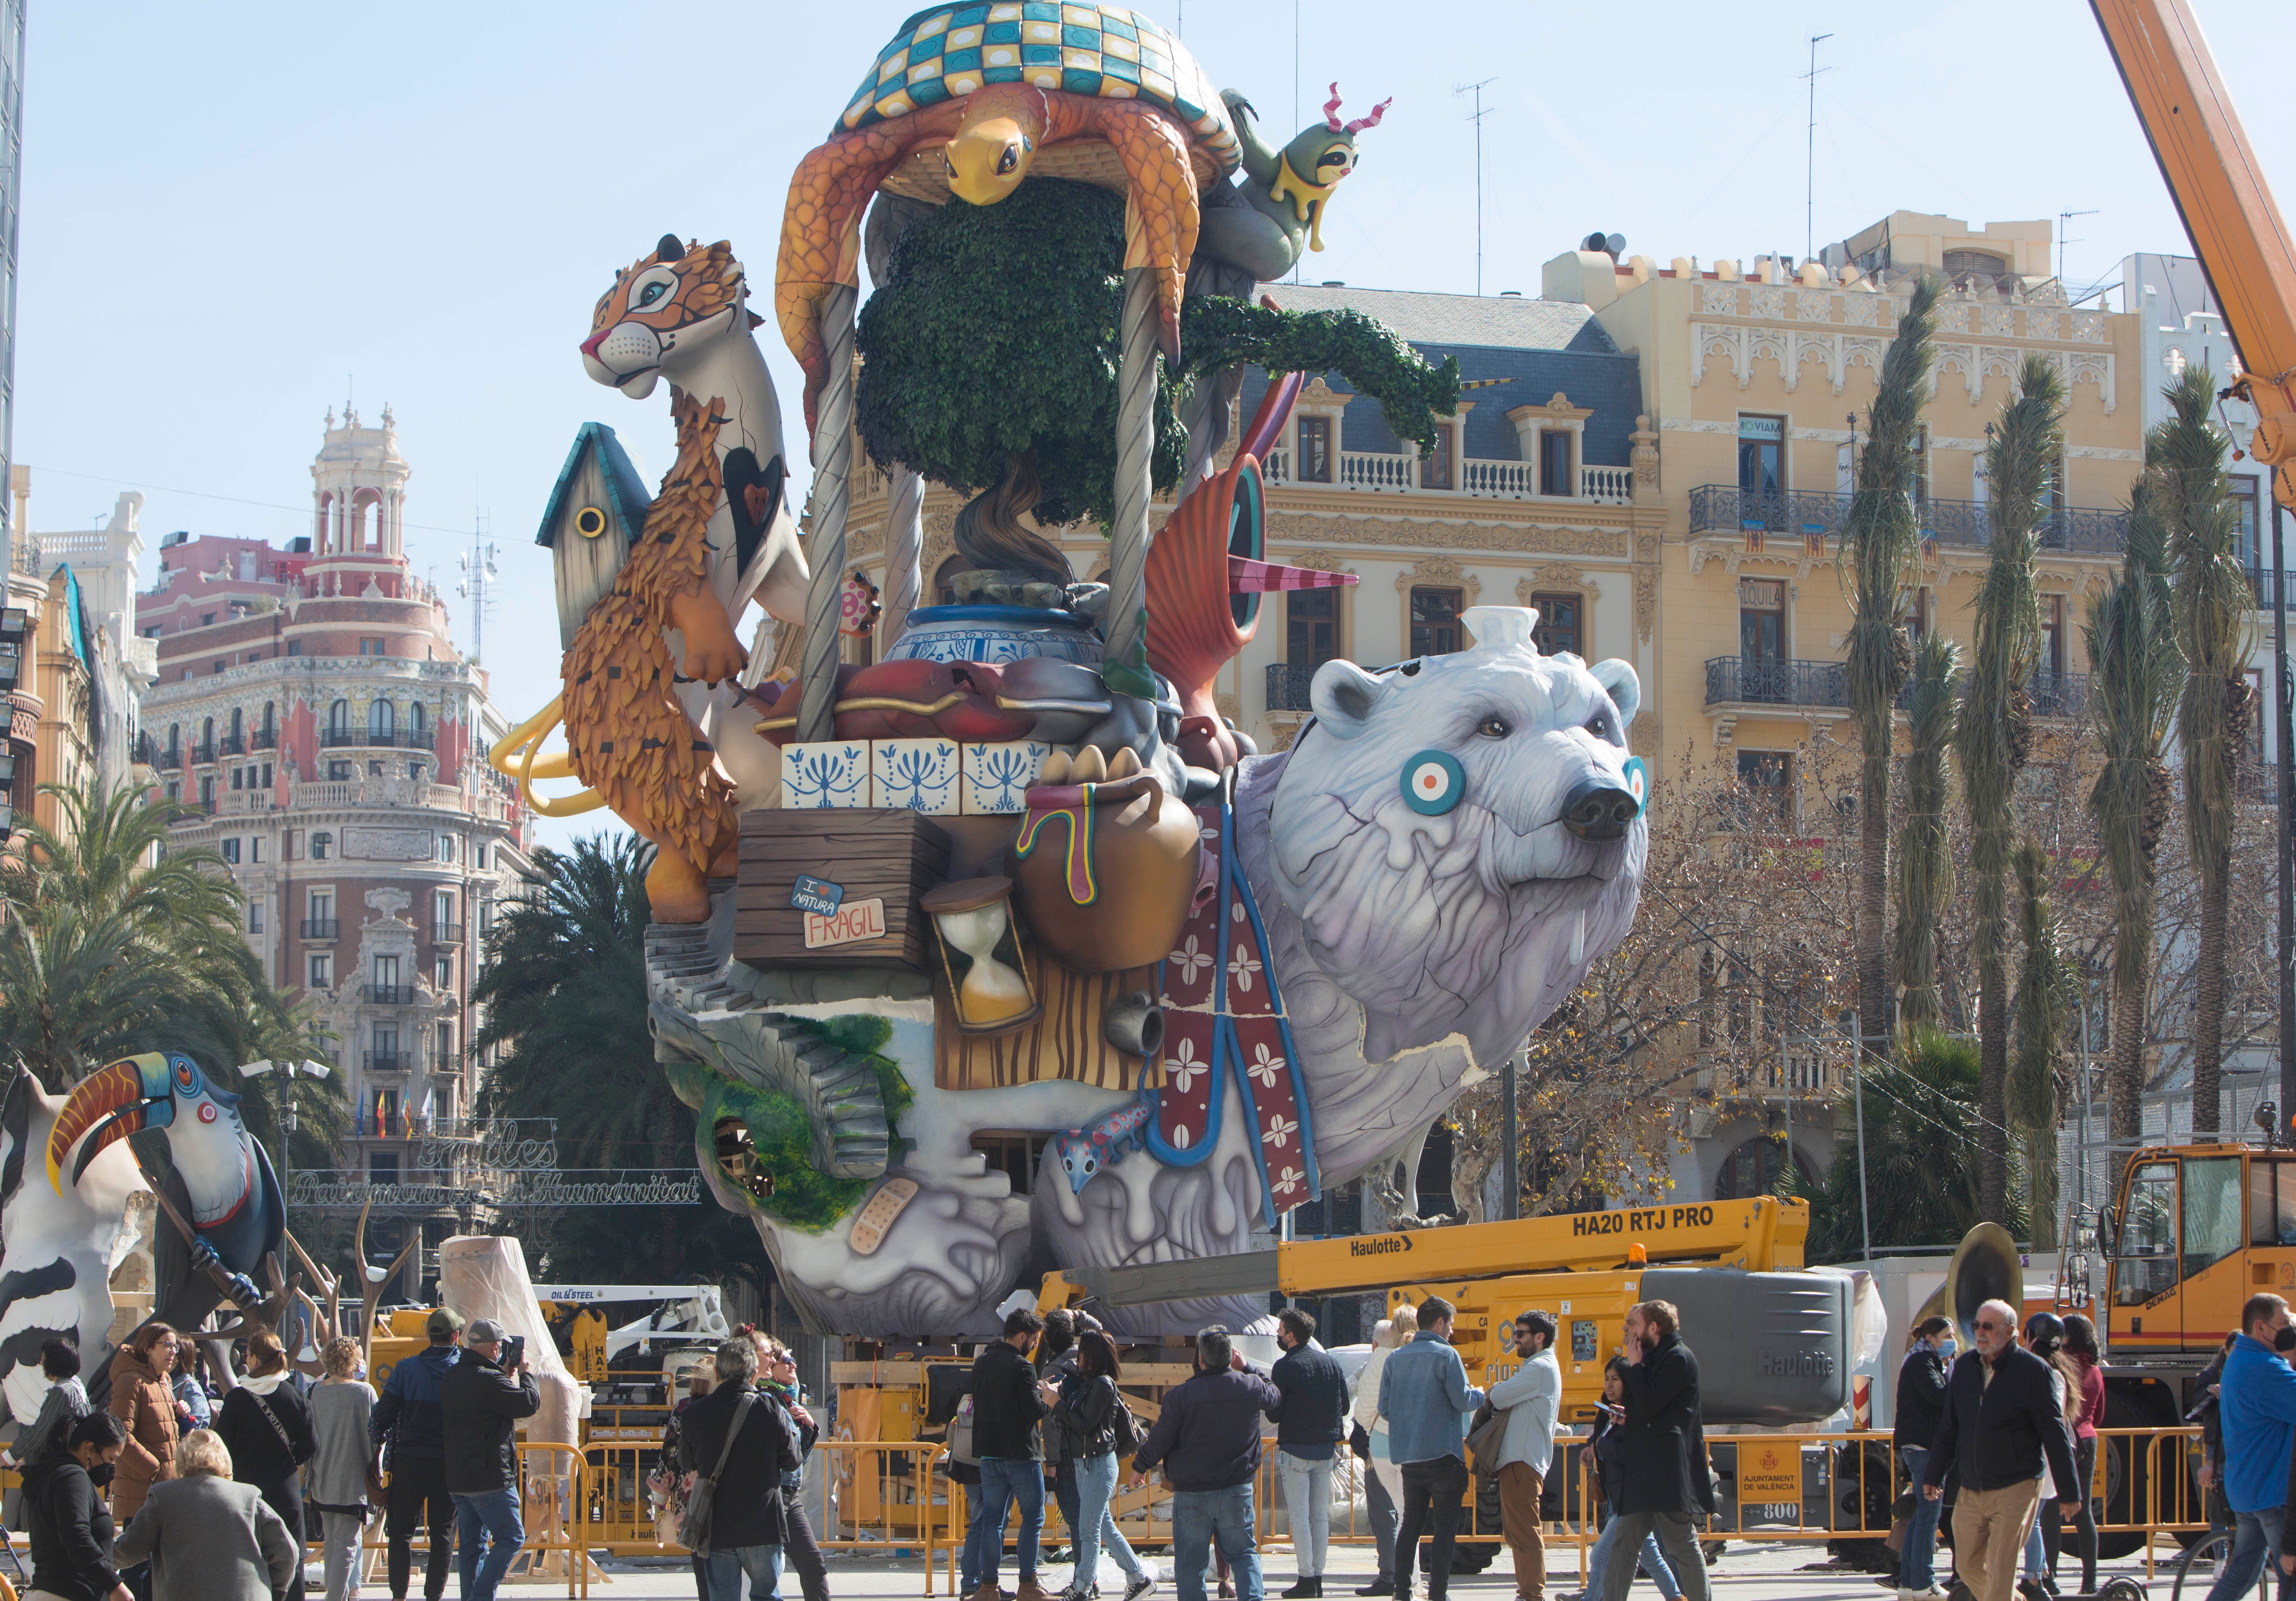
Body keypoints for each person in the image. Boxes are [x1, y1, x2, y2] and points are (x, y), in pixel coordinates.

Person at [1919, 1300, 2079, 1601]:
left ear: (2010, 1332)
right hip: (1972, 1486)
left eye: (1988, 1327)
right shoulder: (1964, 1367)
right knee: (1967, 1566)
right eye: (1976, 1326)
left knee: (2000, 1568)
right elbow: (1949, 1427)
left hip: (2017, 1486)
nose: (1980, 1332)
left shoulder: (2034, 1371)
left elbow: (2054, 1433)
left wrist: (2069, 1493)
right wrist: (1934, 1474)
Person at [1130, 1327, 1281, 1601]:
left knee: (1190, 1564)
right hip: (1236, 1488)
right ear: (1230, 1358)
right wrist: (1247, 1366)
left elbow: (1161, 1437)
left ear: (1201, 1360)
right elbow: (1275, 1395)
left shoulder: (1181, 1396)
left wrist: (1141, 1466)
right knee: (1245, 1554)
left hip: (1192, 1491)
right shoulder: (1250, 1386)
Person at [1599, 1301, 1715, 1601]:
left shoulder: (1677, 1358)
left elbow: (1652, 1404)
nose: (1632, 1331)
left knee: (1681, 1546)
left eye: (1636, 1324)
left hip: (1667, 1472)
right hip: (1645, 1472)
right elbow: (1648, 1408)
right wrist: (1628, 1416)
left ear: (1654, 1328)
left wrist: (1635, 1366)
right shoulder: (1655, 1357)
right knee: (1624, 1544)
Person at [678, 1336, 802, 1601]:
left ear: (716, 1372)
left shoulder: (694, 1414)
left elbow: (687, 1464)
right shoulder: (769, 1407)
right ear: (751, 1372)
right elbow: (793, 1460)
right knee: (766, 1595)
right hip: (762, 1523)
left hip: (717, 1526)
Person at [1380, 1296, 1487, 1601]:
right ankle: (1438, 1594)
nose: (1452, 1332)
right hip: (1444, 1455)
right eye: (1451, 1325)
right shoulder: (1447, 1355)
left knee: (1410, 1525)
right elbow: (1462, 1401)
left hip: (1410, 1458)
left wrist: (1411, 1418)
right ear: (1439, 1323)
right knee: (1444, 1529)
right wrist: (1480, 1396)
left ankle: (1402, 1592)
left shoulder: (1394, 1359)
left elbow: (1384, 1408)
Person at [112, 1427, 299, 1601]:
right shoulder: (248, 1497)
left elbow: (131, 1548)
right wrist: (273, 1591)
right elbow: (288, 1551)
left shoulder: (163, 1497)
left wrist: (95, 1562)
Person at [1558, 1359, 1679, 1601]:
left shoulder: (1637, 1414)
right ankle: (1676, 1597)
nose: (1610, 1385)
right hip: (1618, 1496)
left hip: (1632, 1497)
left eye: (1616, 1379)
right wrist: (1592, 1447)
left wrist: (1602, 1445)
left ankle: (1591, 1599)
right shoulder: (1608, 1410)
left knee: (1601, 1554)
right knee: (1650, 1556)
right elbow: (1603, 1438)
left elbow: (1629, 1453)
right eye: (1607, 1379)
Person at [2201, 1293, 2296, 1601]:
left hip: (2247, 1489)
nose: (2290, 1328)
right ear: (2261, 1327)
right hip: (2272, 1491)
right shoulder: (2266, 1368)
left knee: (2242, 1574)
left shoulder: (2240, 1359)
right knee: (2290, 1578)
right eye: (2285, 1323)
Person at [438, 1317, 540, 1601]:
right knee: (512, 1537)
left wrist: (503, 1375)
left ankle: (472, 1596)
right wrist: (526, 1375)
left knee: (472, 1546)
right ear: (496, 1347)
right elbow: (528, 1403)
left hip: (460, 1479)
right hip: (491, 1479)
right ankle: (480, 1597)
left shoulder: (454, 1375)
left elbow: (485, 1406)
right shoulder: (491, 1379)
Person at [1050, 1329, 1155, 1601]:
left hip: (1098, 1464)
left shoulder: (1103, 1385)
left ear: (1092, 1355)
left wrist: (1057, 1405)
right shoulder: (1089, 1384)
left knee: (1088, 1528)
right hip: (1086, 1464)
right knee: (1104, 1526)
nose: (1078, 1356)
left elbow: (1085, 1425)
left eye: (1082, 1351)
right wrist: (1056, 1396)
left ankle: (1082, 1586)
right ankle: (1139, 1578)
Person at [216, 1330, 318, 1601]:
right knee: (291, 1556)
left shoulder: (237, 1399)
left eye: (247, 1354)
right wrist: (288, 1461)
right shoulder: (296, 1397)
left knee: (247, 1557)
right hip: (285, 1490)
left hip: (244, 1491)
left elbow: (222, 1445)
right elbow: (311, 1445)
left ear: (256, 1360)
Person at [371, 1307, 463, 1601]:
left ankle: (399, 1596)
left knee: (400, 1533)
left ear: (428, 1335)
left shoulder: (406, 1369)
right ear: (456, 1336)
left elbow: (382, 1416)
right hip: (450, 1465)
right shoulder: (464, 1371)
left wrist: (374, 1448)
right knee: (443, 1535)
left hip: (409, 1462)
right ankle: (433, 1597)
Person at [970, 1305, 1053, 1601]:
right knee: (1033, 1518)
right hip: (1021, 1455)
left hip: (989, 1455)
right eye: (1033, 1340)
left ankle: (988, 1587)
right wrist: (1048, 1399)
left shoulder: (982, 1363)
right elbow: (1032, 1411)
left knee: (992, 1520)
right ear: (1022, 1336)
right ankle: (1028, 1586)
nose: (1034, 1346)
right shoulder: (1022, 1367)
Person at [1266, 1308, 1347, 1599]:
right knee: (1320, 1518)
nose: (1277, 1333)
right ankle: (1319, 1579)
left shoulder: (1284, 1367)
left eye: (1280, 1329)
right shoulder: (1332, 1364)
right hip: (1326, 1450)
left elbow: (1275, 1415)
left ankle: (1306, 1578)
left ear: (1290, 1335)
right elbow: (1345, 1408)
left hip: (1296, 1450)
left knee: (1300, 1519)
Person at [1487, 1311, 1562, 1601]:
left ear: (1540, 1337)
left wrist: (1494, 1390)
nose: (1515, 1339)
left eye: (1521, 1334)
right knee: (1519, 1532)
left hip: (1523, 1462)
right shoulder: (1541, 1366)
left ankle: (1531, 1594)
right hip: (1522, 1461)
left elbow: (1500, 1396)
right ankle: (1529, 1592)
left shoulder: (1540, 1367)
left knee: (1525, 1533)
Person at [23, 1410, 130, 1601]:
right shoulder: (73, 1479)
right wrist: (114, 1585)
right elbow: (76, 1535)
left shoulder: (56, 1474)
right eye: (111, 1459)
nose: (113, 1467)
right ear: (89, 1449)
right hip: (66, 1593)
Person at [2015, 1313, 2085, 1597]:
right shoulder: (2054, 1371)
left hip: (2040, 1459)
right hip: (2042, 1459)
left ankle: (2035, 1578)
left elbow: (2046, 1418)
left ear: (2032, 1337)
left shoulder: (2047, 1373)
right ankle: (2041, 1573)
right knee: (2034, 1520)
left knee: (2030, 1520)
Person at [307, 1335, 380, 1601]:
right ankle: (336, 1596)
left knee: (332, 1541)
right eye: (359, 1357)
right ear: (351, 1361)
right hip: (353, 1478)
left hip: (322, 1476)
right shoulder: (365, 1392)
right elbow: (375, 1437)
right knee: (347, 1543)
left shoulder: (316, 1392)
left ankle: (353, 1589)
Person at [758, 1339, 831, 1601]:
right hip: (767, 1495)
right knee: (763, 1576)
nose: (793, 1365)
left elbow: (797, 1458)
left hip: (789, 1495)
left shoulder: (789, 1400)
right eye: (786, 1361)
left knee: (813, 1563)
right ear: (770, 1366)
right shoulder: (764, 1400)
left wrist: (810, 1426)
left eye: (793, 1360)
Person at [1891, 1316, 1956, 1601]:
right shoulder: (1922, 1362)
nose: (1952, 1340)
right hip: (1923, 1447)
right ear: (1930, 1337)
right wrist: (1959, 1378)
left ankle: (1909, 1584)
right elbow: (1938, 1396)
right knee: (1929, 1516)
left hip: (1921, 1445)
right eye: (1947, 1334)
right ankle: (1924, 1583)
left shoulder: (1924, 1359)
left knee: (1919, 1517)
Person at [1351, 1311, 1411, 1598]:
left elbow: (1364, 1409)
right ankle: (1409, 1578)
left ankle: (1390, 1575)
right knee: (1408, 1515)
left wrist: (1366, 1431)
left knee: (1384, 1514)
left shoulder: (1380, 1361)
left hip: (1382, 1447)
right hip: (1414, 1447)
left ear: (1375, 1344)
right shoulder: (1416, 1356)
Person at [107, 1323, 181, 1527]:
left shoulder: (164, 1381)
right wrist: (156, 1471)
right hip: (140, 1494)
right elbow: (121, 1435)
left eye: (176, 1346)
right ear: (148, 1348)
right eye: (167, 1345)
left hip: (165, 1490)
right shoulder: (130, 1381)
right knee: (141, 1560)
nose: (173, 1351)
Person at [660, 1367, 714, 1601]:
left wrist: (662, 1494)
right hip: (718, 1488)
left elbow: (670, 1453)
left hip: (690, 1492)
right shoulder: (723, 1407)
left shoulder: (683, 1409)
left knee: (698, 1549)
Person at [8, 1338, 89, 1471]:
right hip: (75, 1466)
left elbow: (39, 1433)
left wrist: (8, 1457)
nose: (41, 1363)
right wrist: (28, 1461)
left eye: (44, 1359)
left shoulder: (61, 1392)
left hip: (62, 1470)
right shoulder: (76, 1385)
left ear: (54, 1362)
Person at [2194, 1331, 2240, 1534]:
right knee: (2218, 1493)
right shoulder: (2211, 1373)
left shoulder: (2247, 1371)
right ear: (2227, 1350)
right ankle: (2220, 1555)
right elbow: (2195, 1404)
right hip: (2217, 1437)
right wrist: (2210, 1390)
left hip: (2238, 1438)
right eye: (2235, 1351)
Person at [170, 1344, 211, 1434]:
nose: (170, 1353)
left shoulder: (191, 1390)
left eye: (174, 1348)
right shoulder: (164, 1382)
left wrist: (182, 1416)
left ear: (179, 1358)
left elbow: (194, 1433)